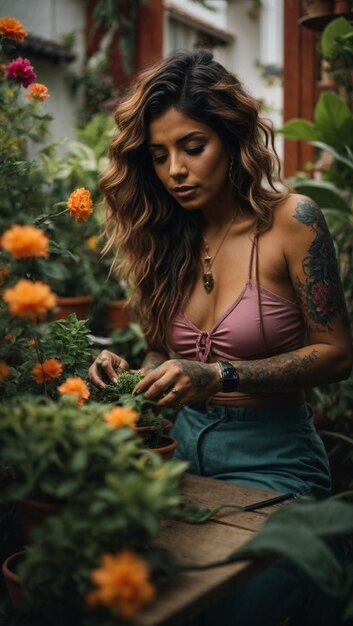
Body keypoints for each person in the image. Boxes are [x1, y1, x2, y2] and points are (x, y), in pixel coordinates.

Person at [88, 49, 352, 625]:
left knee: (243, 605)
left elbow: (337, 354)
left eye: (192, 147)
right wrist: (129, 374)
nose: (175, 170)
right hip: (177, 461)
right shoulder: (164, 239)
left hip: (275, 463)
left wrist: (221, 375)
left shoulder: (293, 222)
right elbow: (164, 352)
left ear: (231, 141)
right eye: (159, 156)